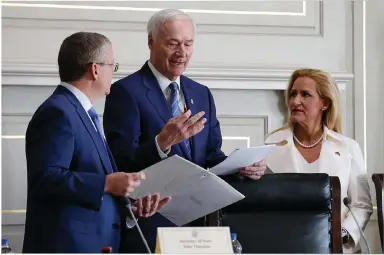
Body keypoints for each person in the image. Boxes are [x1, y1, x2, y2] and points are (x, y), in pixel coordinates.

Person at [103, 9, 267, 253]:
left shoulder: (201, 93)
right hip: (151, 223)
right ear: (151, 41)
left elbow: (211, 155)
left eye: (188, 44)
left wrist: (241, 167)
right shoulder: (125, 92)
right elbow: (120, 161)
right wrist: (162, 143)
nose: (182, 53)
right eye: (173, 43)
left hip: (200, 224)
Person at [22, 32, 171, 253]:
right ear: (95, 69)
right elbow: (45, 178)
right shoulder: (58, 112)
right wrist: (107, 183)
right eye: (113, 65)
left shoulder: (81, 111)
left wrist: (130, 211)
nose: (114, 73)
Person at [264, 68, 373, 253]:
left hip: (337, 248)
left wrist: (342, 235)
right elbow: (264, 205)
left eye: (305, 95)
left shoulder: (348, 148)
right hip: (287, 246)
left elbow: (362, 204)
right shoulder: (270, 145)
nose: (295, 101)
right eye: (293, 94)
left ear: (324, 103)